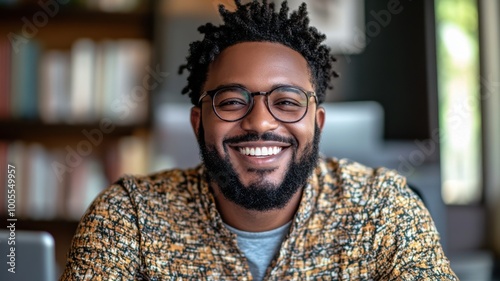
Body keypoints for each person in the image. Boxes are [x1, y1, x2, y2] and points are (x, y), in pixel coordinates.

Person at [60, 1, 458, 280]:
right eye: (233, 101)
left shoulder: (384, 208)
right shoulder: (129, 217)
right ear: (198, 122)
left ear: (317, 122)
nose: (261, 121)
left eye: (286, 102)